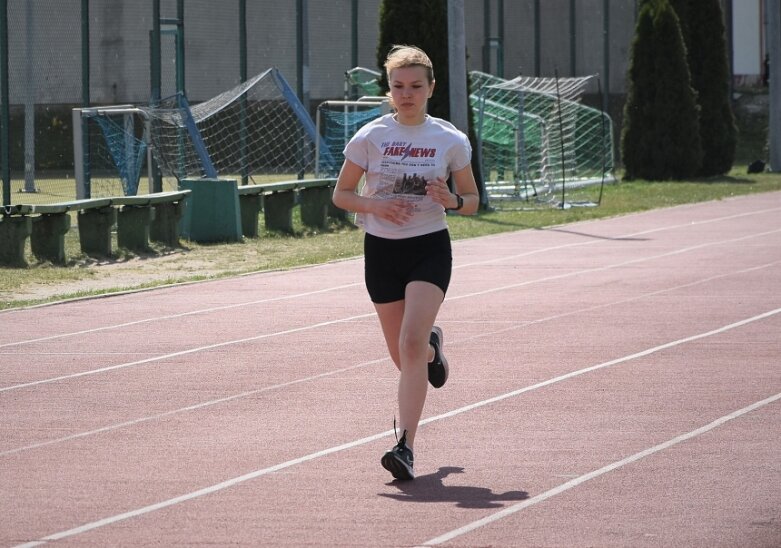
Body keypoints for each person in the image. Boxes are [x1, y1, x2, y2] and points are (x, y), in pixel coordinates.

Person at [332, 45, 479, 481]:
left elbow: (472, 200)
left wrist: (451, 200)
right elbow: (341, 195)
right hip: (381, 252)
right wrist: (376, 207)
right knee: (406, 357)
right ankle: (433, 347)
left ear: (431, 88)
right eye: (398, 86)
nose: (407, 94)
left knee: (409, 345)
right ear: (389, 91)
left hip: (429, 247)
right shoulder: (370, 137)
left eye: (416, 86)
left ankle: (405, 446)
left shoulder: (449, 139)